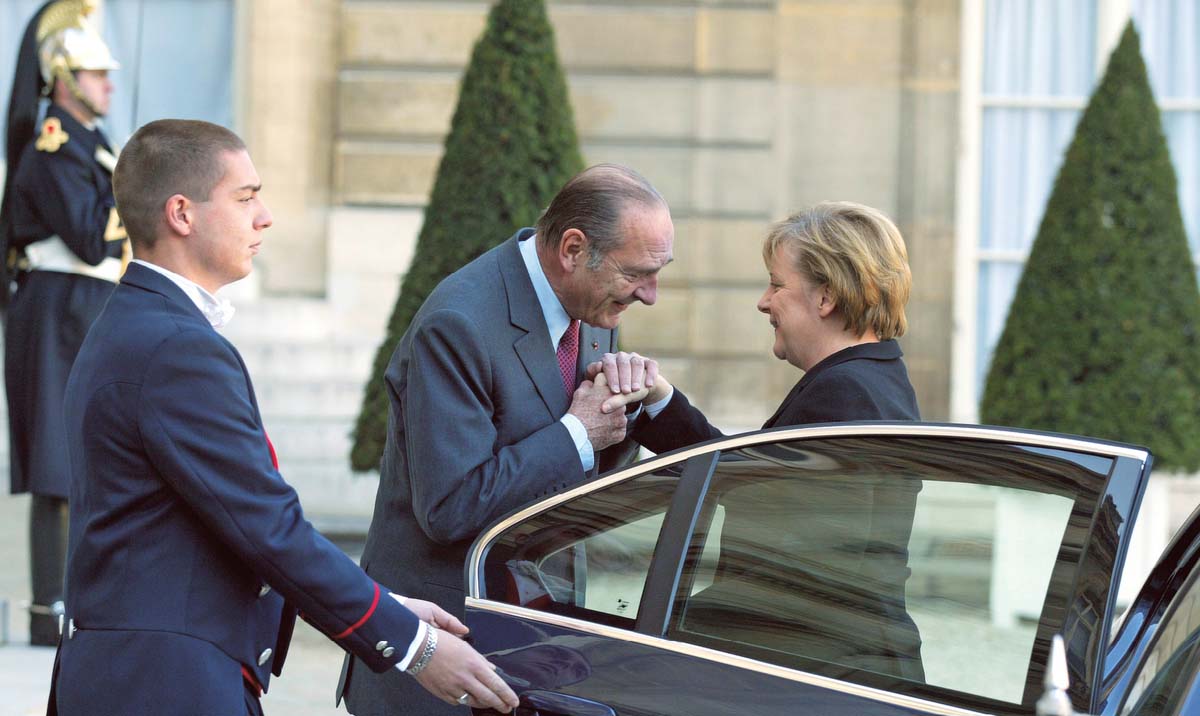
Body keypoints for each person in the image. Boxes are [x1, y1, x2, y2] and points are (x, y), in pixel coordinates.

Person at [51, 119, 519, 716]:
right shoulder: (176, 346)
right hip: (164, 685)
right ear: (181, 214)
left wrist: (386, 603)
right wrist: (413, 646)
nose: (265, 217)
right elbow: (266, 528)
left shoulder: (138, 324)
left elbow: (216, 532)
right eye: (245, 198)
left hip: (136, 675)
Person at [340, 163, 673, 715]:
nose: (651, 295)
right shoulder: (459, 322)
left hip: (532, 650)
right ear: (572, 249)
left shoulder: (593, 303)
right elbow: (450, 507)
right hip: (441, 658)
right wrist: (579, 432)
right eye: (638, 273)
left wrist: (619, 414)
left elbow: (579, 471)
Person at [600, 200, 925, 681]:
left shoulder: (845, 395)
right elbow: (742, 476)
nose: (763, 301)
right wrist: (659, 399)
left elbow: (783, 574)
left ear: (825, 298)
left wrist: (649, 643)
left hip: (830, 675)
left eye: (776, 284)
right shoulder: (870, 377)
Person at [0, 0, 128, 646]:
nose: (109, 84)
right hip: (56, 306)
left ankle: (78, 603)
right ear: (64, 79)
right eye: (97, 74)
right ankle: (49, 612)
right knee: (56, 460)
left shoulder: (92, 143)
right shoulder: (54, 142)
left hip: (86, 306)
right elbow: (87, 234)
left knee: (88, 456)